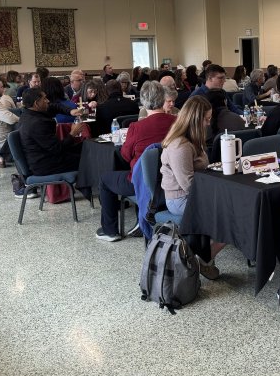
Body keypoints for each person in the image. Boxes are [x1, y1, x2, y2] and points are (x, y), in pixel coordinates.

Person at [97, 81, 177, 241]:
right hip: (171, 180)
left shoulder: (137, 127)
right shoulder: (177, 122)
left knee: (105, 180)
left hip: (143, 182)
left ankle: (110, 231)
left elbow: (126, 156)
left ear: (144, 102)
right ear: (163, 99)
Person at [159, 96, 222, 278]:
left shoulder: (193, 139)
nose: (208, 123)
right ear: (195, 119)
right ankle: (202, 259)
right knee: (228, 215)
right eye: (206, 119)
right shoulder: (180, 146)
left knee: (233, 210)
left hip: (194, 194)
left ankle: (203, 258)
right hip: (180, 198)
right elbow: (188, 184)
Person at [18, 88, 84, 178]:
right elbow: (57, 148)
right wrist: (73, 133)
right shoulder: (36, 123)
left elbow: (54, 106)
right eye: (44, 99)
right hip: (46, 164)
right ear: (36, 103)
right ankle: (89, 184)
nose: (48, 101)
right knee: (88, 158)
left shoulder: (30, 112)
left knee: (85, 146)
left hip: (48, 155)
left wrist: (70, 111)